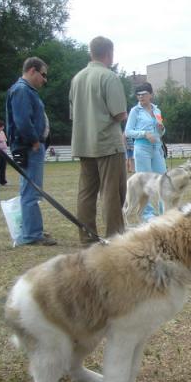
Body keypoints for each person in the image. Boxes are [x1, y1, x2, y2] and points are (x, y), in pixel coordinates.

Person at [69, 36, 127, 244]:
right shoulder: (108, 77)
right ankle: (115, 239)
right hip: (107, 144)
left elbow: (73, 114)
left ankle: (87, 240)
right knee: (113, 193)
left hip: (84, 143)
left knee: (86, 193)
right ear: (109, 53)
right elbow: (119, 113)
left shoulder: (77, 78)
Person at [6, 57, 56, 245]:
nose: (45, 79)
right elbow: (22, 120)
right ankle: (32, 235)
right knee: (31, 191)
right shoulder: (21, 90)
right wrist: (34, 141)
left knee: (31, 190)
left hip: (31, 147)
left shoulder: (26, 90)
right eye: (43, 75)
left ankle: (32, 230)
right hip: (29, 147)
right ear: (32, 71)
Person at [124, 82, 166, 221]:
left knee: (162, 180)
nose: (141, 97)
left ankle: (164, 212)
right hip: (142, 148)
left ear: (151, 95)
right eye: (138, 95)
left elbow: (161, 131)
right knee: (144, 182)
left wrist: (161, 128)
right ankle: (147, 214)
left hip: (156, 147)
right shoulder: (135, 111)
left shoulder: (157, 110)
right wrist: (144, 133)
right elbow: (128, 131)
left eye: (144, 94)